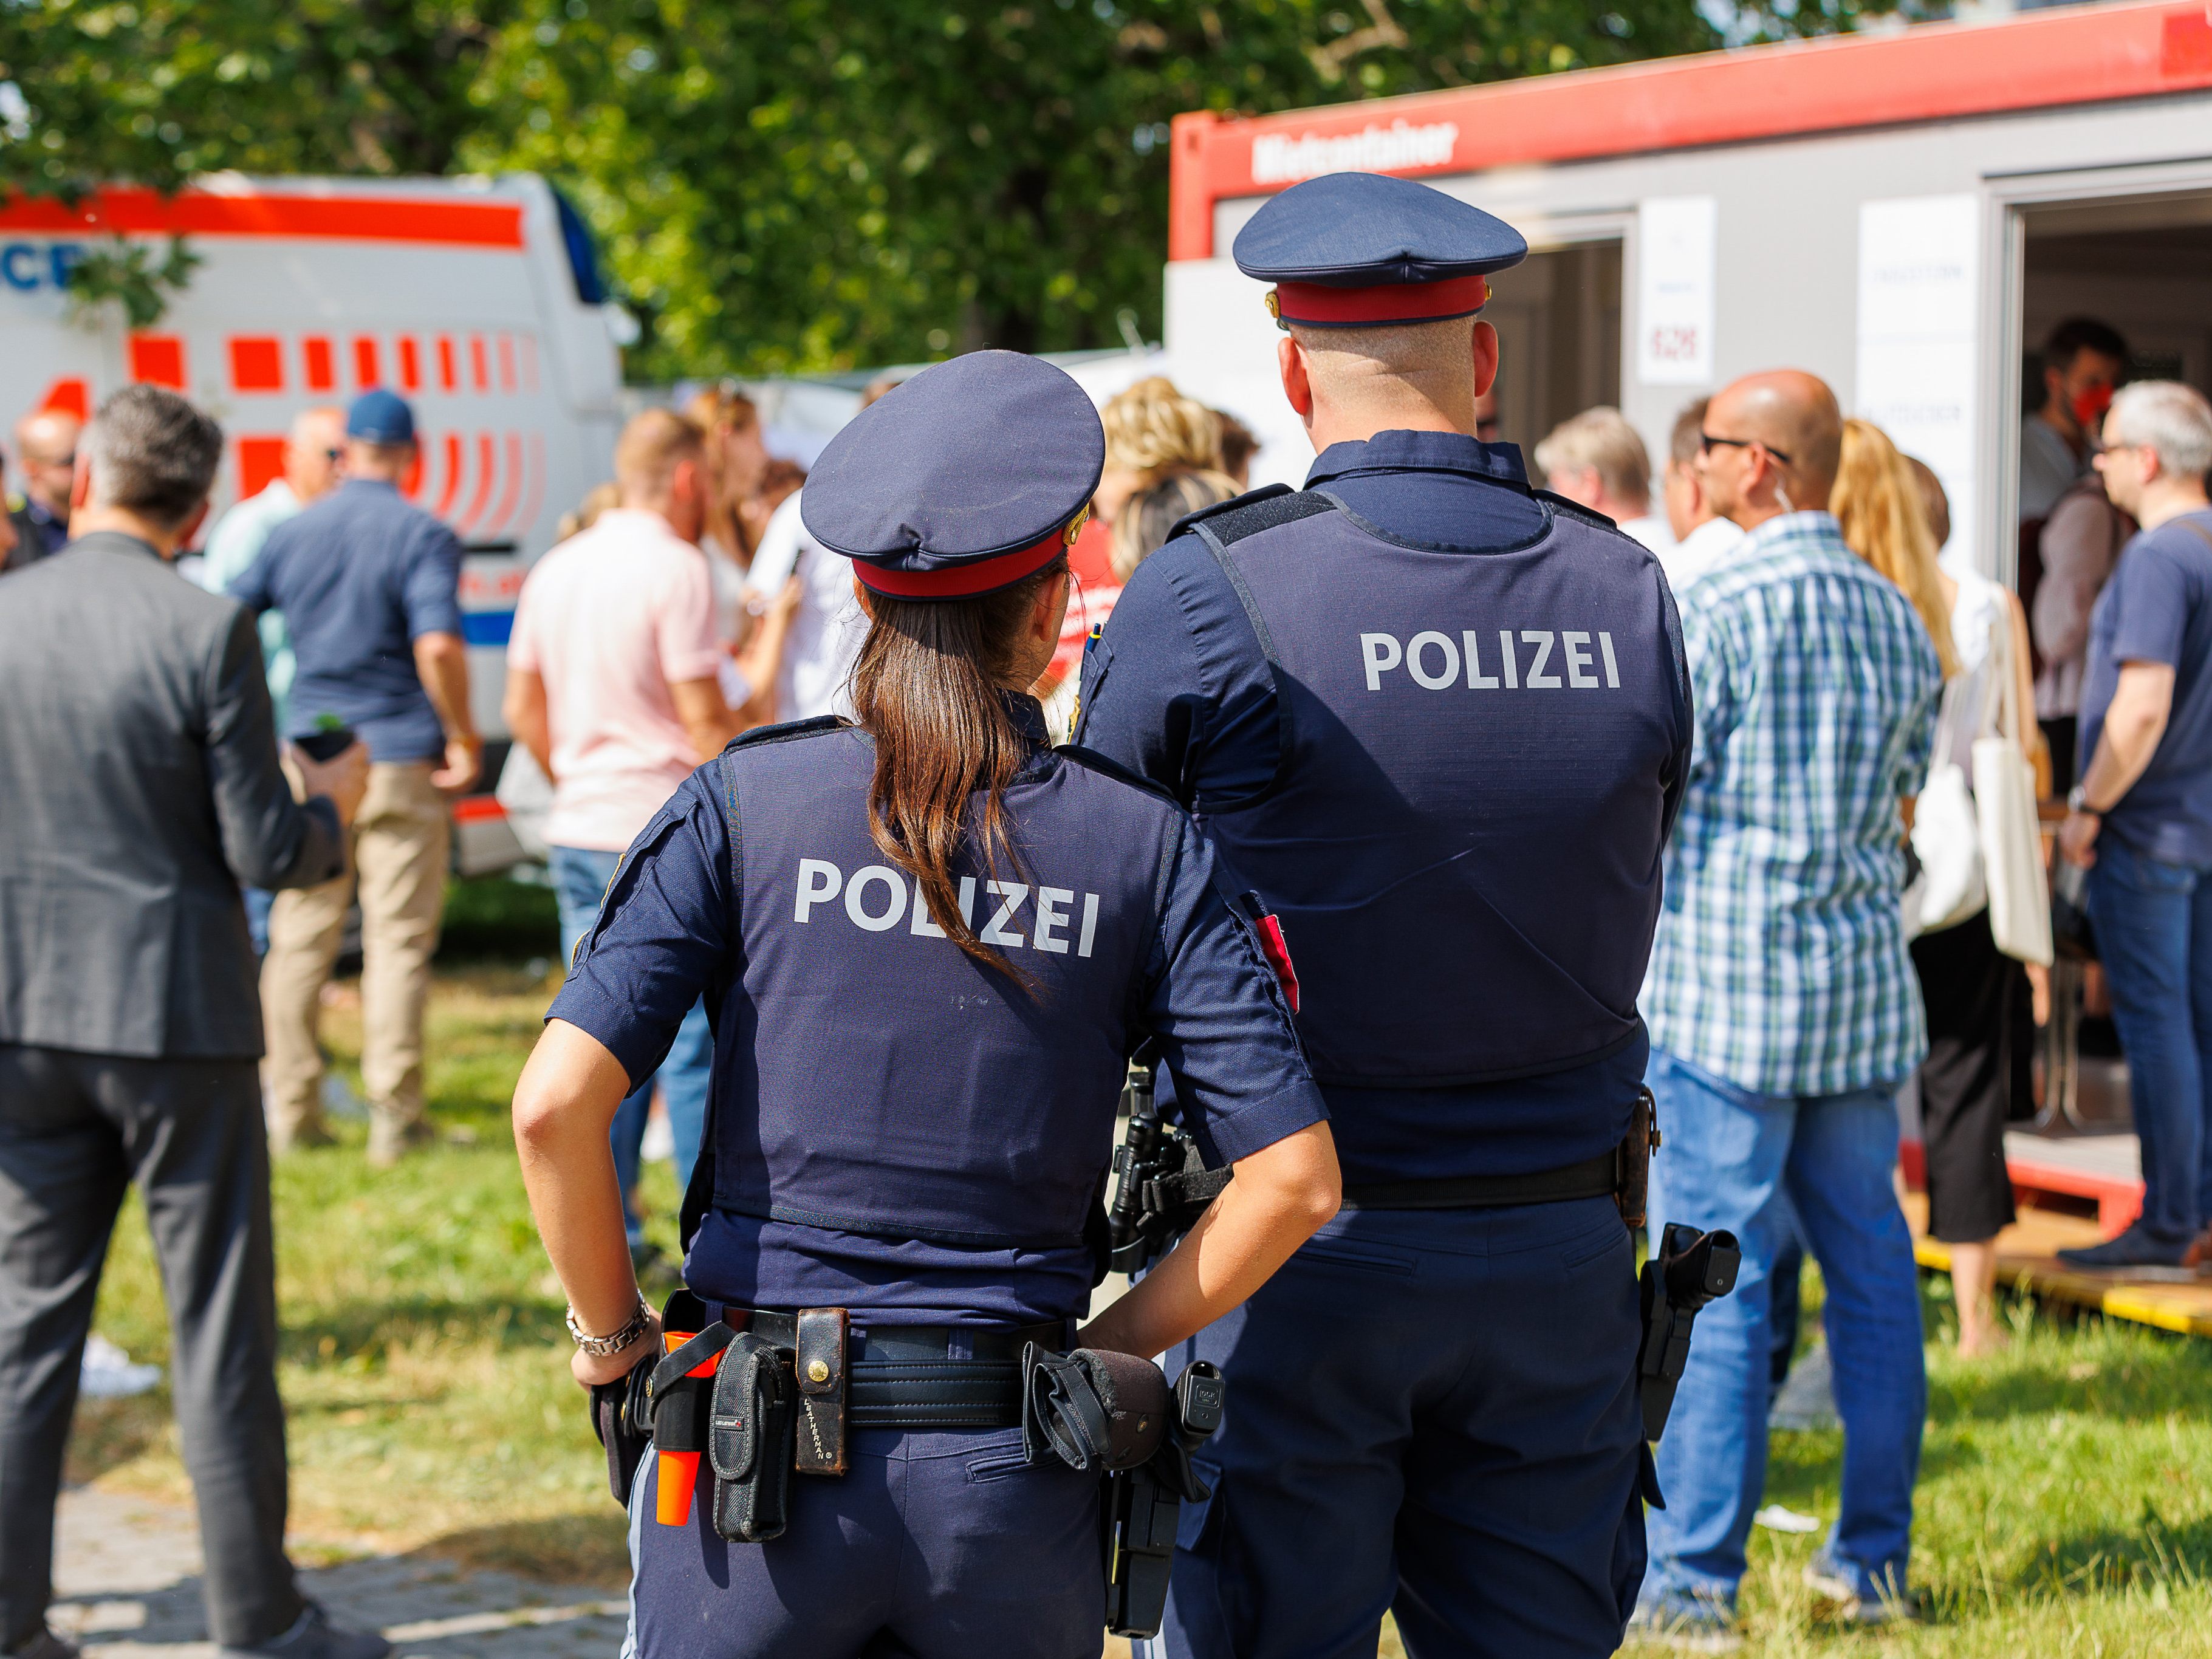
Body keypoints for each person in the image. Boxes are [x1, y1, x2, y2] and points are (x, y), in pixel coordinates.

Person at [508, 349, 1341, 1656]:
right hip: (1010, 1482)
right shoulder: (1143, 846)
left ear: (857, 593)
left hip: (751, 1475)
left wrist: (612, 1340)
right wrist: (1107, 1346)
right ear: (1052, 610)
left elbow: (555, 1105)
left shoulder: (745, 803)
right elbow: (1291, 1179)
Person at [1076, 170, 1691, 1659]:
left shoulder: (1214, 589)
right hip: (1561, 1249)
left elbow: (1086, 884)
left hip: (1293, 1261)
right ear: (1484, 363)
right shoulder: (1628, 588)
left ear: (1293, 373)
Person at [0, 385, 387, 1659]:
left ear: (81, 480)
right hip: (173, 1015)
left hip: (23, 1013)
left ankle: (12, 1618)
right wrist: (329, 798)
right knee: (214, 1325)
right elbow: (269, 849)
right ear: (202, 507)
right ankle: (258, 1621)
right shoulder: (207, 627)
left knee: (27, 1325)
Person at [1637, 372, 1941, 1646]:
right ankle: (1867, 1562)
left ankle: (1695, 1582)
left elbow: (1650, 780)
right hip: (1857, 995)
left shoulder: (1707, 603)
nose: (1694, 466)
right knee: (1870, 1278)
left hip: (1722, 996)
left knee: (1716, 1285)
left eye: (1706, 448)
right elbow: (1906, 794)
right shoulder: (1896, 615)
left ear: (1756, 464)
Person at [505, 409, 744, 1262]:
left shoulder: (556, 565)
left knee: (589, 1034)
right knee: (686, 1045)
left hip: (577, 822)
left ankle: (599, 1229)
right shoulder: (676, 568)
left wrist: (574, 772)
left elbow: (520, 707)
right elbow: (702, 714)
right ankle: (699, 1233)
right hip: (660, 824)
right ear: (686, 476)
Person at [230, 389, 481, 1165]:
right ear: (411, 452)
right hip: (400, 750)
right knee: (396, 940)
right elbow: (437, 646)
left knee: (300, 936)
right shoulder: (421, 532)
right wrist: (464, 734)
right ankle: (393, 1122)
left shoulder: (294, 529)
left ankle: (291, 1108)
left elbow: (231, 617)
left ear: (345, 453)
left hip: (314, 746)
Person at [1838, 420, 2038, 1358]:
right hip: (1971, 877)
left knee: (1855, 1096)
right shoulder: (1990, 604)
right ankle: (1975, 1318)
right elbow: (2021, 742)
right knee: (1966, 1088)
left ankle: (1852, 1313)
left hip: (1879, 861)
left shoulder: (1860, 608)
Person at [2056, 380, 2212, 1271]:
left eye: (2107, 451)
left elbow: (2141, 705)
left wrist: (2089, 806)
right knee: (2192, 1024)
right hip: (2195, 830)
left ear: (2146, 460)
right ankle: (2196, 1214)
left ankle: (2167, 1221)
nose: (2100, 466)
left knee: (2158, 1031)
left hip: (2149, 832)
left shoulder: (2159, 557)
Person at [196, 407, 351, 954]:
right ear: (294, 456)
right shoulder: (253, 527)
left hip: (312, 729)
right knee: (264, 875)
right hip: (264, 728)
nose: (345, 468)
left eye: (351, 453)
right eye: (334, 453)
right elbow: (215, 632)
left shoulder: (335, 524)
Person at [2035, 472, 2134, 791]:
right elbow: (2066, 611)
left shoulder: (2096, 508)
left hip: (2076, 686)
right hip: (2068, 687)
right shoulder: (2091, 510)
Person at [2021, 317, 2129, 526]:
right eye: (2093, 383)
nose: (2105, 396)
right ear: (2055, 381)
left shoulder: (2114, 451)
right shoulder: (2017, 450)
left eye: (2112, 385)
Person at [1535, 403, 1675, 555]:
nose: (1550, 498)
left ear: (1590, 485)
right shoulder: (1675, 544)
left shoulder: (1605, 558)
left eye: (1555, 486)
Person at [1660, 397, 1746, 591]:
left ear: (1691, 484)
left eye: (1665, 484)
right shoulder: (1769, 556)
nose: (1664, 497)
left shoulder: (1665, 577)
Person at [5, 406, 80, 570]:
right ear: (32, 468)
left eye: (87, 455)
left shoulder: (104, 519)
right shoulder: (11, 530)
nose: (82, 467)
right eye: (70, 459)